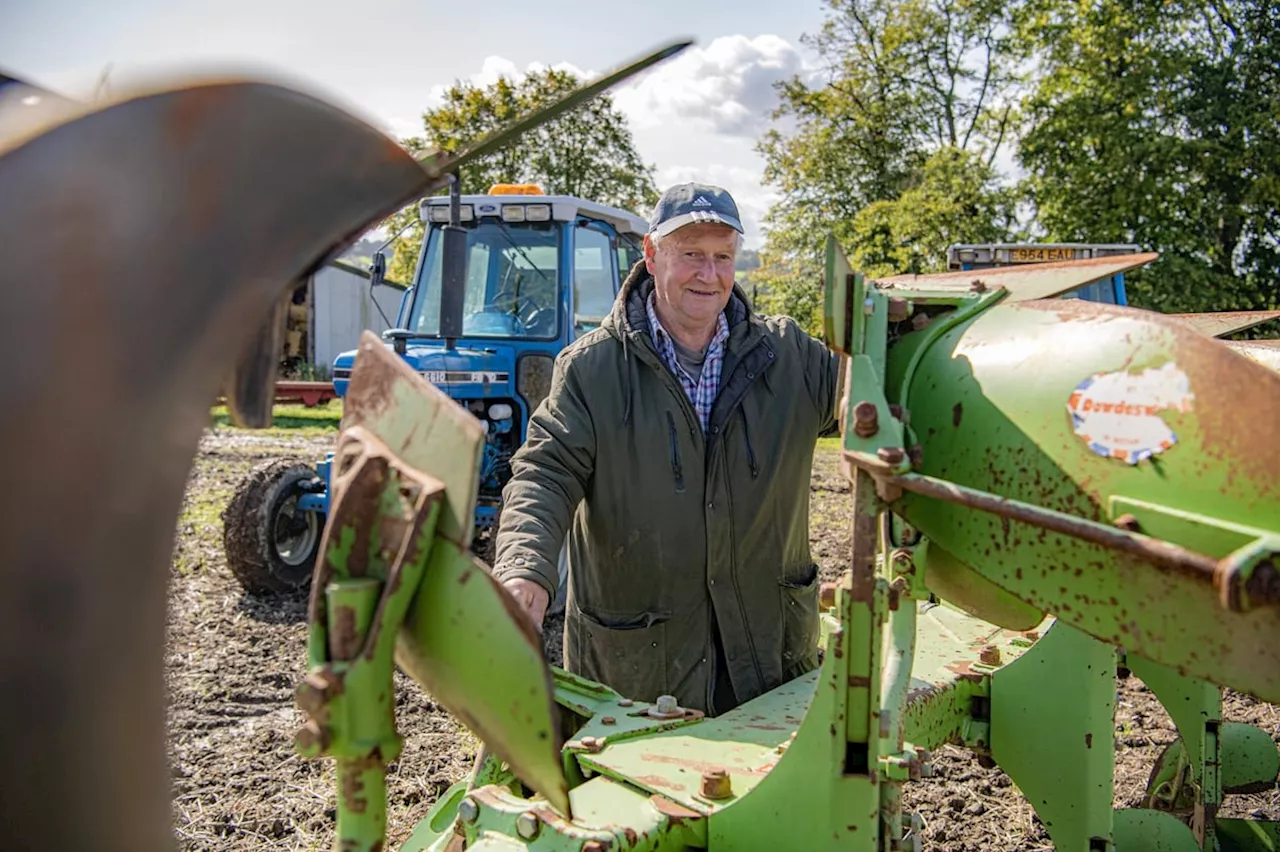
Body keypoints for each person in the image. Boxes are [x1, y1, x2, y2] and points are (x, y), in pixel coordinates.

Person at [491, 183, 843, 716]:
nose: (709, 274)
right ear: (652, 256)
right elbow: (545, 471)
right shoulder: (593, 370)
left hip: (768, 662)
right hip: (643, 671)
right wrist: (525, 568)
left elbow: (876, 397)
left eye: (723, 257)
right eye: (692, 255)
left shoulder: (789, 357)